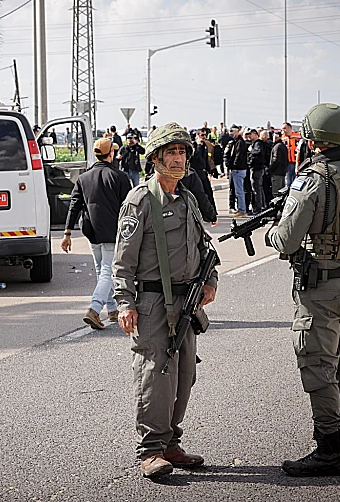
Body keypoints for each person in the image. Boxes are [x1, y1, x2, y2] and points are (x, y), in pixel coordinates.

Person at [267, 103, 340, 477]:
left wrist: (271, 230)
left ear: (312, 139)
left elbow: (286, 241)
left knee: (319, 367)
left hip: (321, 288)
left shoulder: (313, 179)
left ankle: (329, 451)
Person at [112, 122, 218, 478]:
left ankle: (171, 443)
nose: (179, 158)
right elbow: (123, 258)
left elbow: (205, 248)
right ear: (155, 159)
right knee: (156, 375)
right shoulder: (141, 200)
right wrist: (124, 301)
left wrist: (210, 281)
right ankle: (150, 450)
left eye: (183, 152)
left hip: (187, 300)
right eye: (171, 152)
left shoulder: (187, 198)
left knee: (184, 375)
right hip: (153, 302)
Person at [62, 137, 131, 330]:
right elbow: (129, 208)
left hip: (92, 231)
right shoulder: (120, 177)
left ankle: (112, 310)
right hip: (112, 232)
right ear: (111, 154)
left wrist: (67, 233)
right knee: (108, 272)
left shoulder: (83, 178)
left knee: (102, 271)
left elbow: (74, 206)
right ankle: (94, 309)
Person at [228, 126, 249, 217]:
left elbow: (238, 156)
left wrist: (233, 166)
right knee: (238, 191)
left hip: (238, 170)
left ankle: (242, 210)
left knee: (239, 191)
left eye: (233, 131)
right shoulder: (236, 142)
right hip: (238, 169)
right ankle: (241, 209)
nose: (232, 133)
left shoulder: (240, 143)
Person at [247, 128, 267, 214]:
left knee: (256, 189)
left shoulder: (258, 143)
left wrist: (251, 151)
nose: (249, 136)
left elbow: (258, 152)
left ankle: (258, 209)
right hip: (255, 168)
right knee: (257, 188)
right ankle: (261, 206)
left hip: (257, 169)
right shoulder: (254, 143)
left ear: (255, 134)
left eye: (250, 134)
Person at [270, 130, 289, 197]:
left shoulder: (277, 146)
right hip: (282, 172)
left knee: (276, 193)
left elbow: (276, 160)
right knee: (281, 192)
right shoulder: (283, 146)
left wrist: (270, 169)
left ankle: (277, 207)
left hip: (276, 173)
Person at [283, 122, 299, 187]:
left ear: (289, 128)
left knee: (296, 181)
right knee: (288, 182)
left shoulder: (298, 136)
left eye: (284, 128)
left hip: (296, 162)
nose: (283, 130)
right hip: (287, 162)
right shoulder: (283, 138)